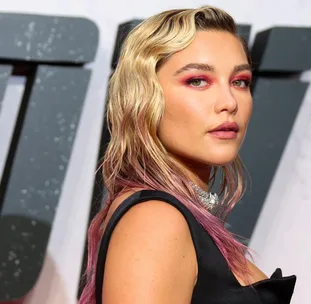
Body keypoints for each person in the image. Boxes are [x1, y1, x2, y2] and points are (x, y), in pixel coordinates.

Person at [78, 5, 296, 304]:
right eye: (197, 81)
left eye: (240, 81)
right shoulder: (155, 219)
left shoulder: (176, 215)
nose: (229, 102)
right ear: (144, 98)